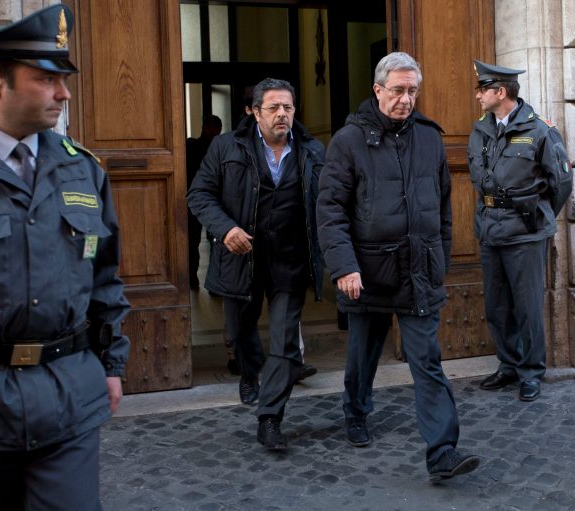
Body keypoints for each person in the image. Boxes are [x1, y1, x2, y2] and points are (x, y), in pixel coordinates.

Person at [0, 5, 130, 509]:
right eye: (46, 79)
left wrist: (111, 364)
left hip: (67, 399)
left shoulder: (82, 169)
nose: (65, 93)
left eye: (64, 79)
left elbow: (104, 275)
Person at [317, 52, 480, 482]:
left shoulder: (429, 137)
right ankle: (356, 410)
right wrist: (344, 267)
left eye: (412, 91)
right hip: (367, 271)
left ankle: (442, 451)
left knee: (427, 359)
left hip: (418, 269)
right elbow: (330, 210)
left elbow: (443, 206)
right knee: (363, 352)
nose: (406, 99)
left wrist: (440, 257)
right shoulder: (348, 141)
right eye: (398, 90)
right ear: (378, 90)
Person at [188, 78, 324, 450]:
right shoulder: (225, 146)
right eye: (274, 107)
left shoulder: (313, 150)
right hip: (240, 258)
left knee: (285, 342)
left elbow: (328, 201)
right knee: (241, 332)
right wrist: (225, 228)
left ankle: (270, 418)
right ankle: (249, 372)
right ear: (254, 112)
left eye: (288, 107)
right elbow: (199, 194)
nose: (282, 114)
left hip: (290, 261)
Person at [467, 60, 573, 402]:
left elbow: (561, 183)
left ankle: (531, 371)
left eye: (483, 89)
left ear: (501, 92)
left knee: (527, 306)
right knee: (497, 306)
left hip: (525, 232)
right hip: (490, 229)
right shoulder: (481, 130)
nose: (478, 95)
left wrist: (538, 215)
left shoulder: (540, 130)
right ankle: (509, 365)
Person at [186, 115, 222, 290]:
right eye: (211, 127)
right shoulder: (192, 145)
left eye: (217, 128)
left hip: (216, 200)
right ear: (204, 128)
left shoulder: (221, 147)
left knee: (218, 242)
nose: (214, 131)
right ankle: (192, 278)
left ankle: (214, 283)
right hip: (197, 198)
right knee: (193, 241)